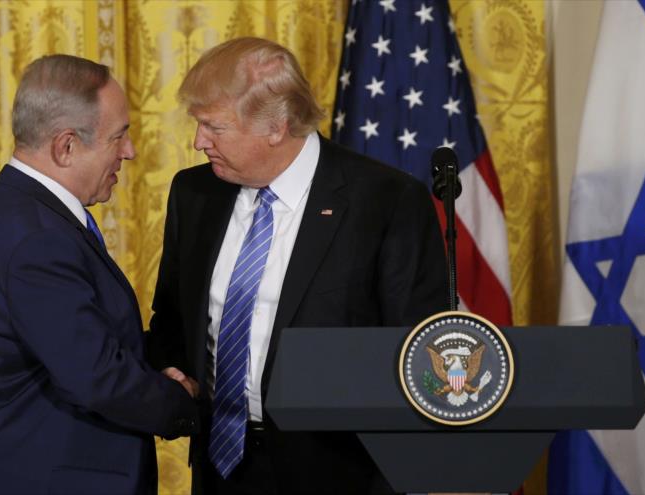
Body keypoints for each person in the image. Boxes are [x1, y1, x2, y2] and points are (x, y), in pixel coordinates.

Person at [147, 37, 448, 494]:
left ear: (276, 126)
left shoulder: (387, 203)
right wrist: (168, 368)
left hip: (341, 474)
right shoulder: (194, 193)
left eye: (214, 127)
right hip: (220, 465)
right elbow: (171, 313)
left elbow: (416, 351)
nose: (198, 142)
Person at [0, 54, 198, 495]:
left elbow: (81, 343)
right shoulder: (34, 237)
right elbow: (96, 376)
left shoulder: (24, 214)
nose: (130, 151)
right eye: (119, 136)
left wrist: (160, 363)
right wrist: (185, 402)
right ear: (66, 146)